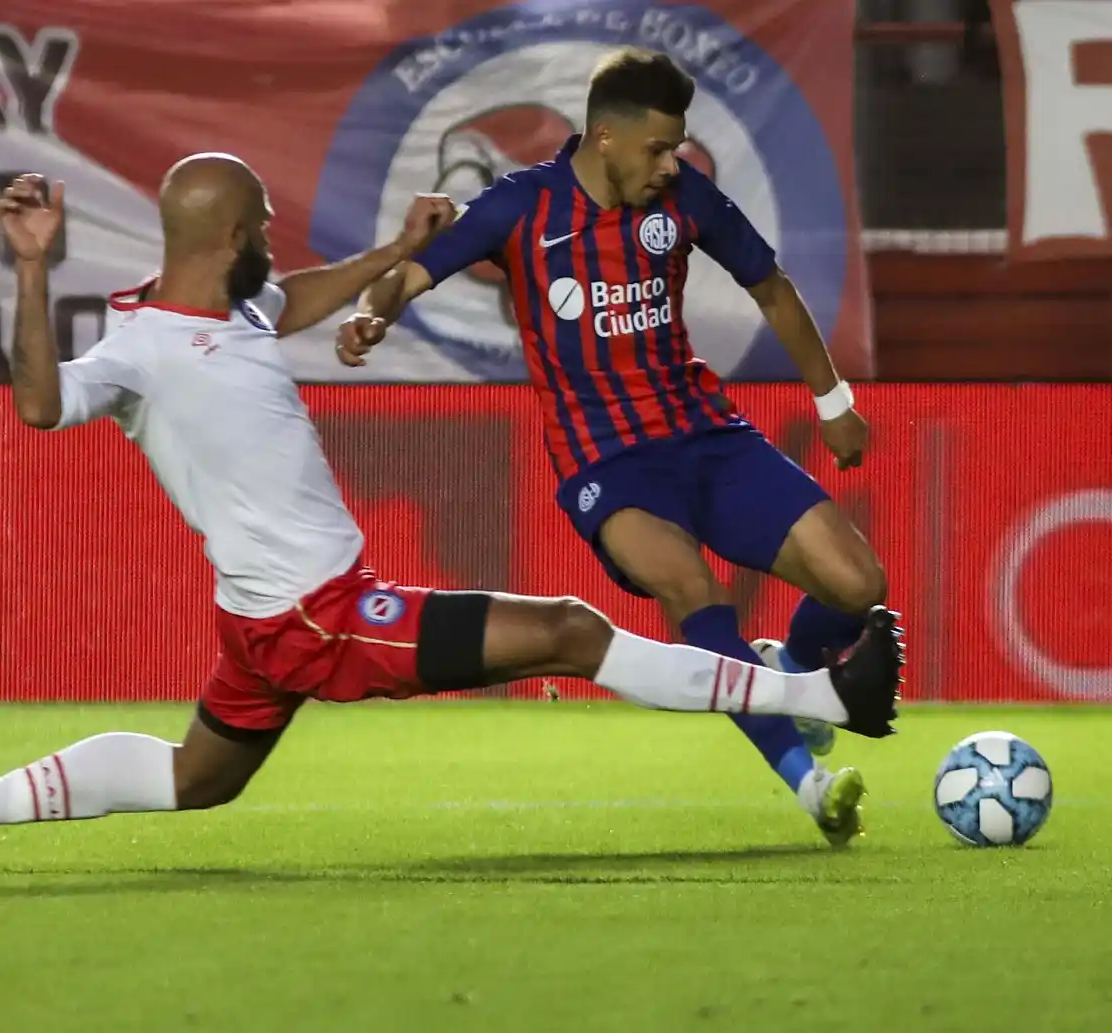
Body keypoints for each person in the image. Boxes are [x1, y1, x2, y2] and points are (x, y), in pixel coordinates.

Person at [0, 153, 901, 871]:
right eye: (262, 225)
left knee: (193, 777)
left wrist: (395, 253)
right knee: (573, 631)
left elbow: (288, 299)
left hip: (264, 623)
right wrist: (28, 271)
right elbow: (37, 402)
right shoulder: (135, 352)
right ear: (231, 232)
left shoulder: (228, 303)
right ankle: (816, 692)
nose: (272, 237)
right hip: (319, 616)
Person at [339, 48, 893, 843]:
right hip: (610, 466)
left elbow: (768, 284)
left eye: (677, 149)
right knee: (693, 592)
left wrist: (833, 400)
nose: (672, 165)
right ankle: (810, 784)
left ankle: (793, 674)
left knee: (858, 583)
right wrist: (374, 314)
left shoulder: (682, 199)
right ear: (606, 138)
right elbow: (410, 275)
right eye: (659, 148)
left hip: (708, 436)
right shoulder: (520, 208)